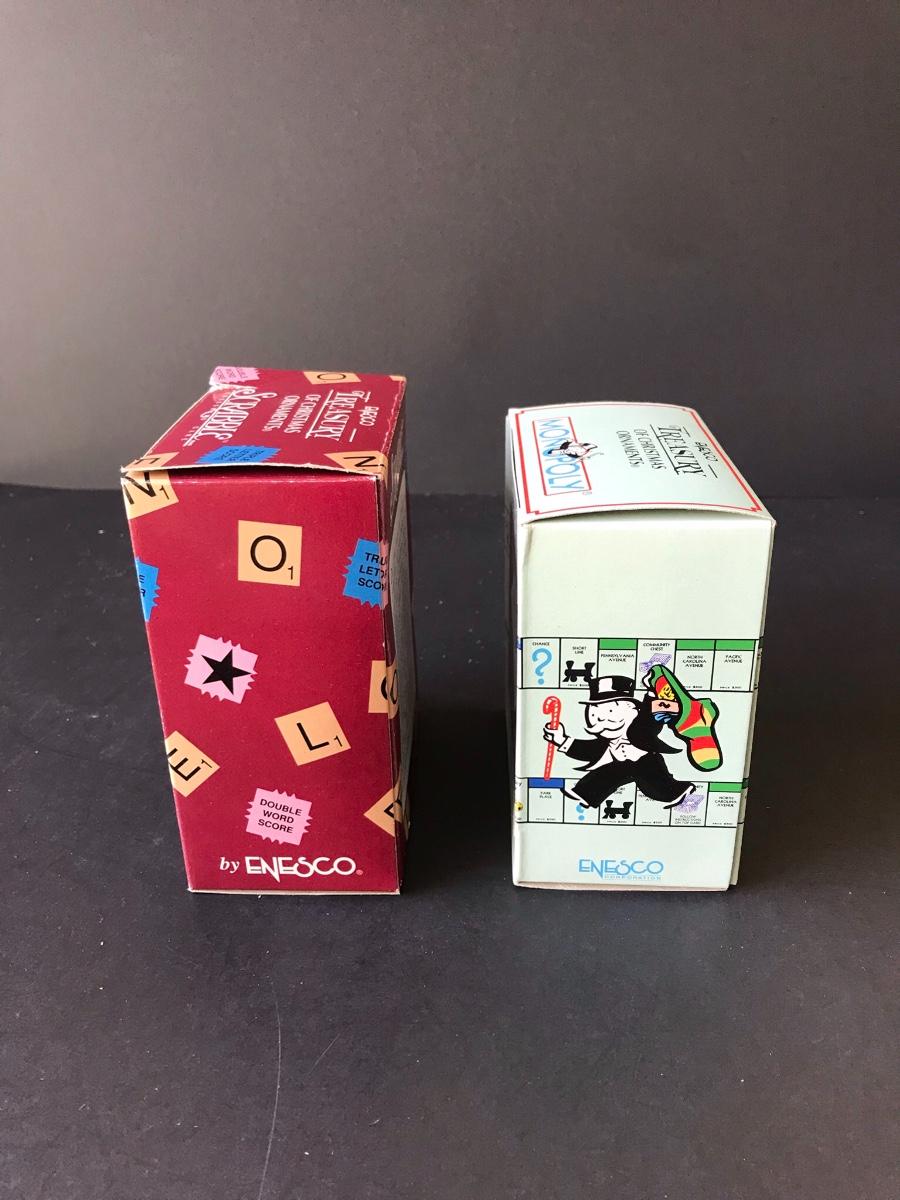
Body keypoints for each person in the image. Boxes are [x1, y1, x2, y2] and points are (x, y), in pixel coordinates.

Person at [542, 675, 692, 809]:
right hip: (625, 766)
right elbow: (586, 750)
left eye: (610, 711)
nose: (600, 718)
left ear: (632, 710)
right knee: (608, 772)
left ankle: (678, 792)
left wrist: (652, 693)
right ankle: (585, 794)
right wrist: (561, 740)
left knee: (655, 785)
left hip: (647, 762)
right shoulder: (606, 743)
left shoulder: (639, 729)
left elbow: (649, 716)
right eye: (594, 713)